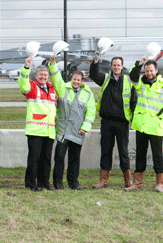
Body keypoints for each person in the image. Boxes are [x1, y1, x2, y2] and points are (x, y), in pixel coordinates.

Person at [124, 56, 163, 193]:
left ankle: (160, 183)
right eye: (146, 71)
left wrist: (160, 115)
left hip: (155, 126)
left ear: (156, 70)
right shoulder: (140, 83)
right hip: (141, 125)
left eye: (151, 71)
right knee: (140, 155)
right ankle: (137, 183)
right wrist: (139, 63)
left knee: (157, 155)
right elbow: (133, 76)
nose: (149, 73)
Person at [89, 56, 137, 189]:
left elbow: (133, 102)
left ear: (122, 66)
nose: (116, 67)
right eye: (114, 65)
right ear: (111, 66)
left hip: (122, 123)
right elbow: (93, 74)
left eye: (118, 65)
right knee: (106, 151)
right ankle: (103, 180)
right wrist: (95, 61)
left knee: (124, 152)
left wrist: (133, 121)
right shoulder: (105, 79)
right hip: (107, 122)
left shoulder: (128, 81)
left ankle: (128, 181)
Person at [49, 55, 96, 190]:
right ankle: (58, 184)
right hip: (63, 131)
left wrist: (85, 128)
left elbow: (91, 113)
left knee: (74, 160)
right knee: (59, 158)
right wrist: (52, 64)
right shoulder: (63, 88)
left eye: (78, 80)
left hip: (77, 131)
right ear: (71, 79)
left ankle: (73, 184)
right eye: (74, 79)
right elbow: (56, 78)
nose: (76, 82)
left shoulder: (88, 94)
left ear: (82, 81)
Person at [18, 56, 56, 192]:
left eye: (45, 75)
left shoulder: (52, 89)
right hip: (35, 130)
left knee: (46, 160)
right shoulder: (32, 87)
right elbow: (23, 84)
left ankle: (44, 183)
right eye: (41, 75)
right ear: (36, 75)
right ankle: (30, 184)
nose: (43, 77)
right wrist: (26, 67)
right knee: (34, 159)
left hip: (49, 131)